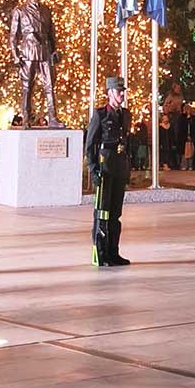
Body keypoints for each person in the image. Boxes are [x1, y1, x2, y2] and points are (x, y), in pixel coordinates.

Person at [86, 73, 131, 267]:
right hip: (105, 168)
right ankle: (101, 253)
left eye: (123, 91)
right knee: (102, 213)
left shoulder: (126, 115)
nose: (122, 95)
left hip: (119, 167)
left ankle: (114, 252)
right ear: (110, 93)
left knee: (115, 213)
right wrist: (93, 169)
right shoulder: (100, 115)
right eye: (119, 91)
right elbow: (90, 145)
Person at [9, 0, 60, 128]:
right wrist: (15, 54)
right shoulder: (20, 11)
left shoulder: (46, 11)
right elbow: (13, 36)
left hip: (45, 51)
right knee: (27, 86)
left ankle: (53, 117)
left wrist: (54, 50)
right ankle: (26, 117)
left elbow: (51, 33)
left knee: (50, 85)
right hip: (28, 51)